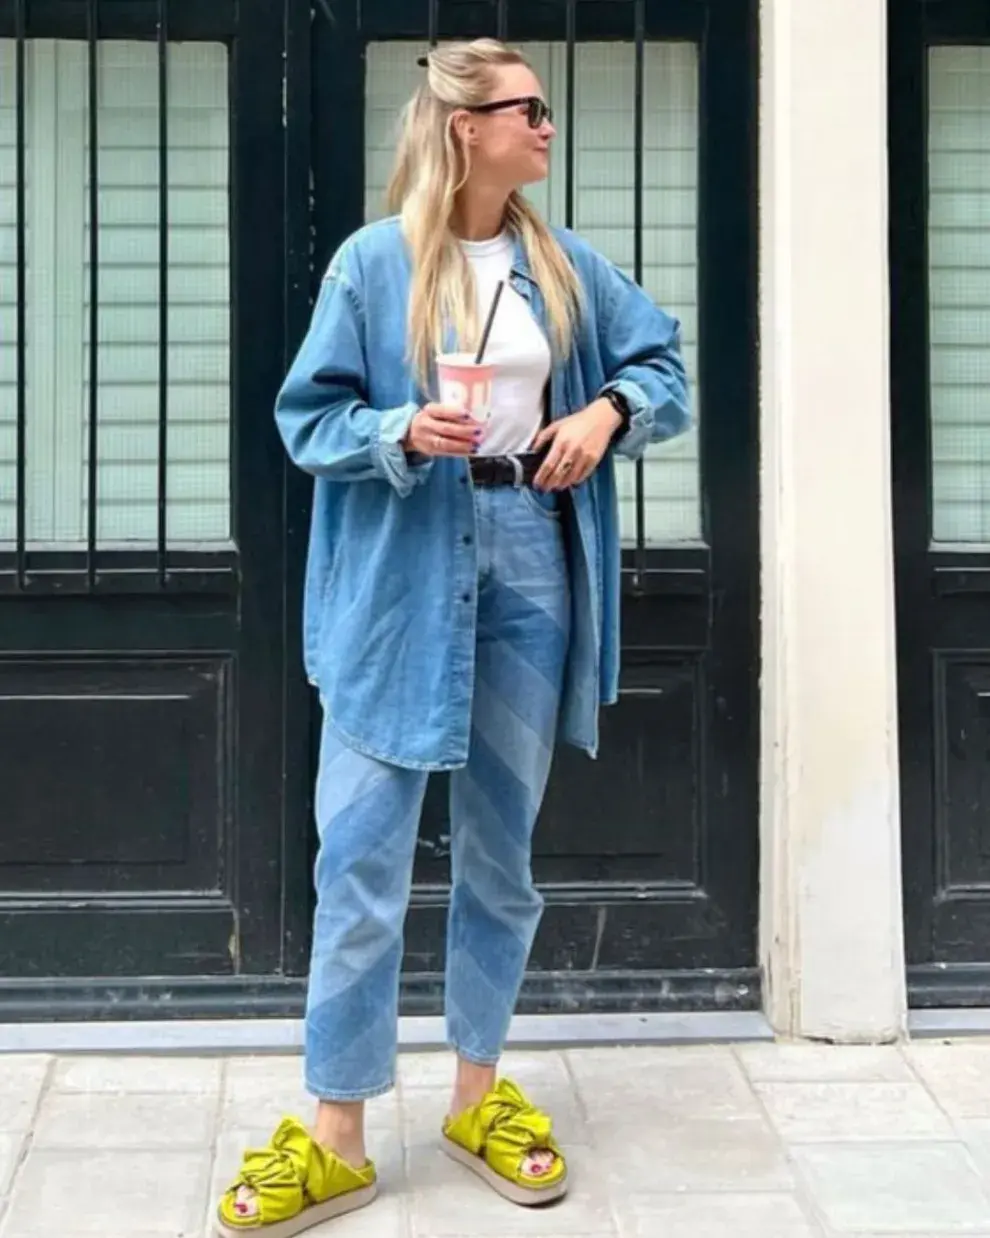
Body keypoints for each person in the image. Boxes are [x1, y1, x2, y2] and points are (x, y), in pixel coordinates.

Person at [215, 36, 689, 1237]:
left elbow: (665, 362)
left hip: (531, 555)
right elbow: (305, 416)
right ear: (466, 126)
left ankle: (479, 1092)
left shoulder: (561, 261)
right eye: (530, 109)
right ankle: (336, 1133)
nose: (548, 125)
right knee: (360, 854)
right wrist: (394, 432)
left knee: (499, 854)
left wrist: (603, 410)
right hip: (402, 570)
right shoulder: (375, 266)